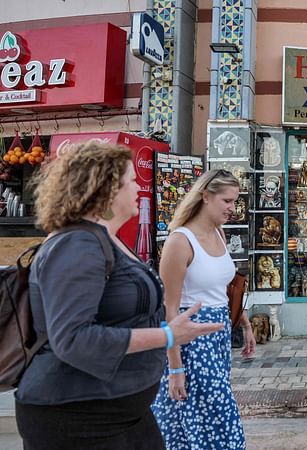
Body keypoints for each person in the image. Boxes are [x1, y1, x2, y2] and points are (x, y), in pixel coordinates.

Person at [15, 142, 222, 450]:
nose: (139, 188)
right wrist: (166, 336)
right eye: (131, 182)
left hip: (122, 411)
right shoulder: (77, 244)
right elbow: (72, 339)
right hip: (79, 414)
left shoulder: (103, 239)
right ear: (107, 190)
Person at [151, 169, 256, 449]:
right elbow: (169, 311)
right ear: (206, 197)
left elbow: (221, 289)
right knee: (216, 418)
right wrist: (175, 368)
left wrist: (244, 324)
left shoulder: (218, 233)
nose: (233, 208)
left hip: (218, 339)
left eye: (234, 201)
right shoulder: (180, 241)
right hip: (191, 343)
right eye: (227, 201)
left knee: (207, 418)